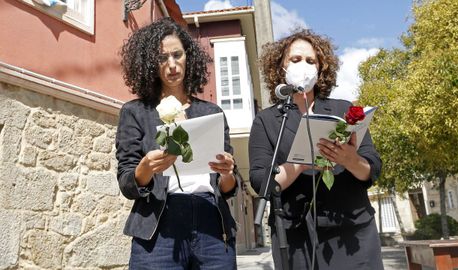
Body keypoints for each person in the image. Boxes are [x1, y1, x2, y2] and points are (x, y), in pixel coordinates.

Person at [249, 29, 383, 270]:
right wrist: (301, 163)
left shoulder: (344, 110)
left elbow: (372, 168)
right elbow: (261, 181)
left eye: (311, 61)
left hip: (352, 233)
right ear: (281, 67)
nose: (304, 66)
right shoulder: (266, 121)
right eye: (295, 59)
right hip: (296, 238)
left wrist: (350, 160)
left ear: (321, 69)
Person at [116, 18, 240, 269]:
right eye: (162, 58)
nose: (172, 64)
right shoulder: (135, 112)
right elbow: (127, 182)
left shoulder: (211, 112)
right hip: (159, 223)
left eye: (177, 54)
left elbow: (229, 187)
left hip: (211, 221)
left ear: (188, 57)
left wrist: (228, 173)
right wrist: (147, 168)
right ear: (151, 64)